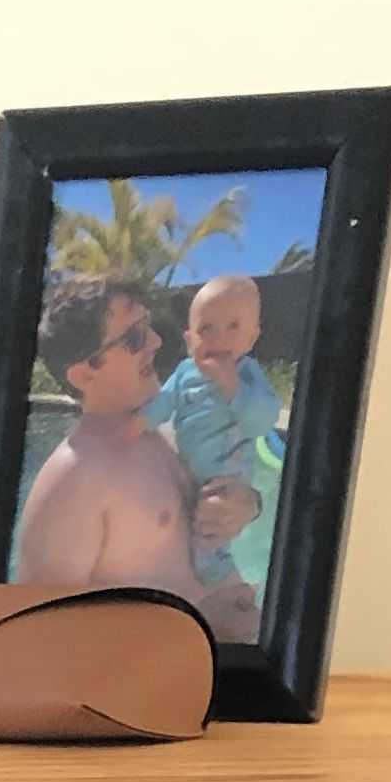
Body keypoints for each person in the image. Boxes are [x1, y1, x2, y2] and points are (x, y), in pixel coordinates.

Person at [12, 277, 204, 611]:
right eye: (135, 337)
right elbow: (42, 633)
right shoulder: (74, 478)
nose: (156, 341)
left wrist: (246, 502)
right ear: (85, 374)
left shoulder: (160, 440)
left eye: (149, 325)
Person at [147, 274, 280, 643]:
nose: (219, 338)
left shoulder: (248, 375)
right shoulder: (184, 374)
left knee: (211, 527)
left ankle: (222, 577)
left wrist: (232, 386)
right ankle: (226, 587)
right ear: (190, 340)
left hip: (228, 471)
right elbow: (161, 406)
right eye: (207, 328)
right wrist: (137, 421)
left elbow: (263, 419)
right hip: (191, 470)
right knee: (195, 524)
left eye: (233, 327)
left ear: (251, 338)